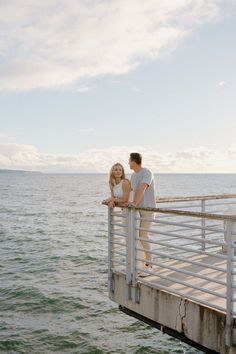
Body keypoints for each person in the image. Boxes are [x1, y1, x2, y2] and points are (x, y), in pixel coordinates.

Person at [128, 152, 156, 270]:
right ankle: (138, 263)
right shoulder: (133, 176)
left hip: (147, 209)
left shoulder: (147, 172)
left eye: (129, 160)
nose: (128, 163)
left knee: (143, 235)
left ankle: (149, 263)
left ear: (134, 161)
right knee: (136, 236)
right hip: (136, 210)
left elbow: (142, 187)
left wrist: (134, 203)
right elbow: (132, 191)